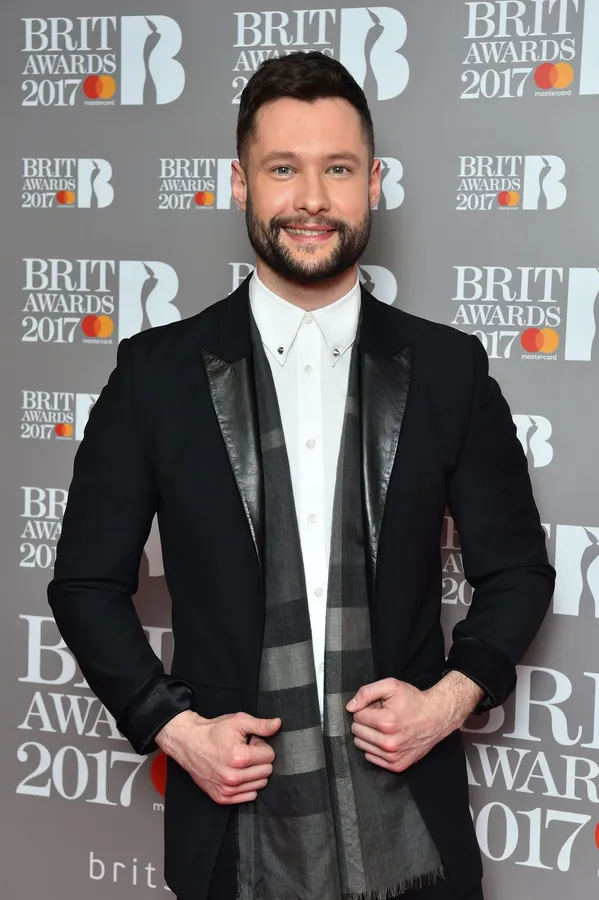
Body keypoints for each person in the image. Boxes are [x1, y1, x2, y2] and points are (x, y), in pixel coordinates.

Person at [47, 51, 555, 900]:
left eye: (338, 169)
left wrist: (444, 702)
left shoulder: (448, 368)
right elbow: (84, 584)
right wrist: (174, 728)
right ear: (240, 183)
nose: (312, 198)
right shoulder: (154, 375)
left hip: (412, 824)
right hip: (233, 829)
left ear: (373, 184)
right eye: (283, 168)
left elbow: (516, 572)